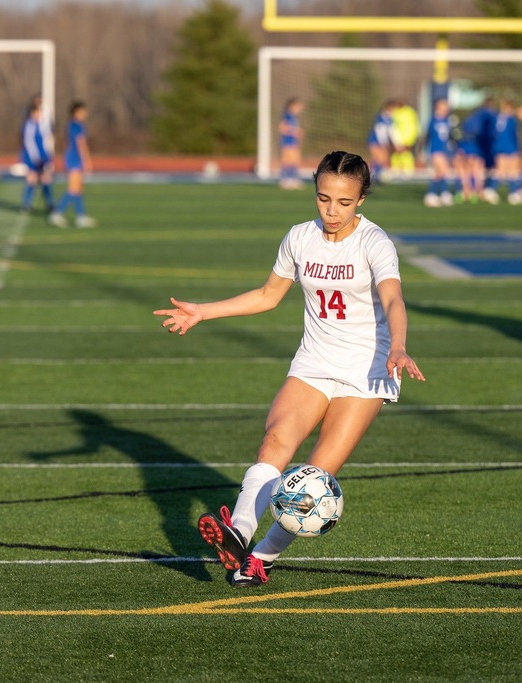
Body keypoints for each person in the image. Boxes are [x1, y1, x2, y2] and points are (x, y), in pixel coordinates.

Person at [154, 151, 426, 587]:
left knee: (315, 481)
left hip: (367, 369)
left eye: (343, 202)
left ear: (360, 200)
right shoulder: (300, 238)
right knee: (276, 440)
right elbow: (267, 295)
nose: (331, 211)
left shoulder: (374, 243)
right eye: (323, 199)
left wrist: (399, 346)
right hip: (314, 360)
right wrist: (202, 312)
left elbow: (393, 299)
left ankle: (261, 558)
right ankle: (238, 532)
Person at [48, 100, 97, 229]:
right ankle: (57, 214)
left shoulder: (70, 125)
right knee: (73, 189)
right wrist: (87, 160)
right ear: (77, 112)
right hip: (75, 159)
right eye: (82, 111)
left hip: (71, 158)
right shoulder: (78, 126)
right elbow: (81, 143)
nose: (85, 113)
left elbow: (67, 143)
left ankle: (81, 216)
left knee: (78, 189)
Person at [19, 98, 56, 215]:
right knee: (32, 180)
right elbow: (28, 143)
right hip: (32, 158)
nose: (39, 115)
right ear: (32, 113)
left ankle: (49, 204)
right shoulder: (28, 125)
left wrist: (47, 157)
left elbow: (48, 138)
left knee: (46, 180)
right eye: (37, 112)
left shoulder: (40, 124)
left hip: (43, 157)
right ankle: (26, 204)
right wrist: (35, 158)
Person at [491, 98, 522, 204]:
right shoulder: (511, 119)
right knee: (513, 171)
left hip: (498, 147)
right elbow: (514, 136)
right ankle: (513, 193)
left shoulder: (497, 118)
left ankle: (491, 190)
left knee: (500, 171)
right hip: (510, 146)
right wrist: (518, 149)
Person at [423, 97, 454, 207]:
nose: (446, 108)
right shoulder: (433, 120)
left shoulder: (447, 120)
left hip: (444, 149)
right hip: (435, 149)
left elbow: (449, 137)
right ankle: (435, 194)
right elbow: (428, 136)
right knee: (441, 171)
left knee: (441, 173)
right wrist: (424, 151)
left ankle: (438, 194)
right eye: (443, 105)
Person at [366, 100, 397, 182]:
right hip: (375, 141)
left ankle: (375, 177)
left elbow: (391, 132)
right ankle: (367, 173)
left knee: (382, 160)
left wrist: (396, 144)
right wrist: (383, 143)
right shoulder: (380, 117)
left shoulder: (390, 119)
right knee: (377, 159)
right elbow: (379, 131)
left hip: (381, 142)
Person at [278, 97, 304, 190]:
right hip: (287, 141)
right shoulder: (287, 116)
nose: (300, 109)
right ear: (291, 106)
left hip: (293, 141)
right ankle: (285, 180)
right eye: (298, 106)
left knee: (295, 160)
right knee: (287, 160)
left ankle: (293, 179)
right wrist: (295, 131)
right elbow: (282, 128)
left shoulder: (294, 117)